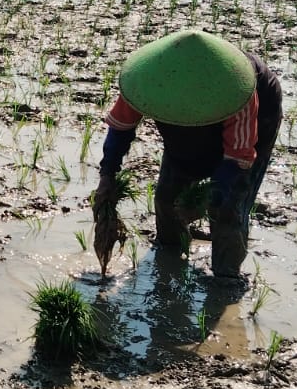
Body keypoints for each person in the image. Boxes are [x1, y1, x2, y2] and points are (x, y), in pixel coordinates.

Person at [92, 29, 282, 284]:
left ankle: (227, 279)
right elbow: (120, 128)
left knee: (227, 208)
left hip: (258, 119)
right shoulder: (147, 79)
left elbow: (238, 157)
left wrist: (208, 197)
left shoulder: (240, 92)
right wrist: (107, 175)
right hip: (184, 129)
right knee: (166, 199)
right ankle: (169, 255)